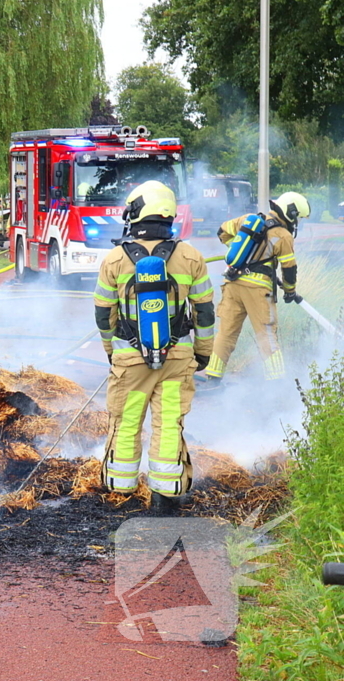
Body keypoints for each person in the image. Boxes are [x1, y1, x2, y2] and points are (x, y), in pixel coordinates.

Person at [93, 181, 215, 512]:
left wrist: (112, 350)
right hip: (177, 358)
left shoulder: (115, 259)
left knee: (128, 419)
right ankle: (166, 496)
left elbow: (104, 315)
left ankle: (121, 492)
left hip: (130, 361)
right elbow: (204, 312)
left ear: (136, 214)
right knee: (168, 422)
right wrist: (203, 352)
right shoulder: (191, 257)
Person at [205, 192, 309, 383]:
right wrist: (289, 291)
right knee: (266, 335)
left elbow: (222, 231)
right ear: (291, 214)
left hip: (232, 284)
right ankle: (276, 383)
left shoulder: (247, 220)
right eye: (298, 218)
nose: (297, 223)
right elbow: (289, 269)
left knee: (226, 333)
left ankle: (213, 378)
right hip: (258, 291)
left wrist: (240, 253)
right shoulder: (283, 236)